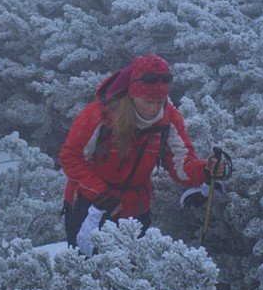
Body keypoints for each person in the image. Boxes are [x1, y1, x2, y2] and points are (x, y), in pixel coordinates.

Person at [59, 53, 227, 256]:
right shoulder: (100, 114)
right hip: (89, 207)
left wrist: (207, 169)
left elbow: (181, 165)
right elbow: (71, 158)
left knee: (132, 277)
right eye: (148, 101)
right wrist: (101, 195)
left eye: (159, 101)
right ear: (132, 94)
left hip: (135, 209)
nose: (154, 108)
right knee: (88, 274)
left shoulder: (168, 118)